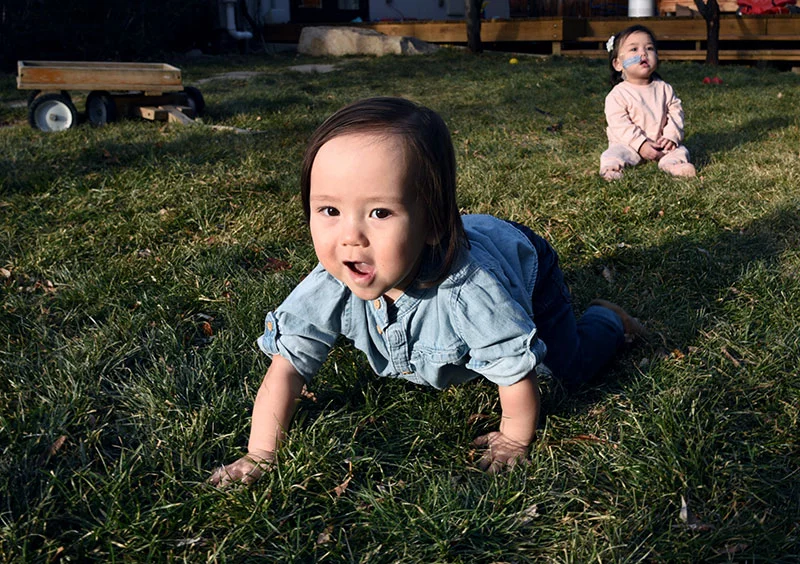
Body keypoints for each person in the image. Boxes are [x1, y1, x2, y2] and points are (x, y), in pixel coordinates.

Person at [209, 97, 645, 487]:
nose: (350, 236)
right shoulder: (329, 283)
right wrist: (260, 456)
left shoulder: (470, 290)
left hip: (525, 265)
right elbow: (286, 368)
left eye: (379, 212)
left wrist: (513, 437)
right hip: (463, 240)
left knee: (567, 369)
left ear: (433, 222)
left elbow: (515, 371)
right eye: (329, 210)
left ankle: (608, 319)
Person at [600, 25, 696, 181]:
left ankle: (672, 165)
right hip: (628, 144)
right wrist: (641, 144)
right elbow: (620, 125)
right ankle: (611, 169)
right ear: (618, 64)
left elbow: (676, 114)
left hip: (661, 143)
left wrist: (671, 137)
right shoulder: (617, 95)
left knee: (679, 150)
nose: (643, 53)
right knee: (613, 153)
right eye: (634, 50)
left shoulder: (664, 88)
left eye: (649, 48)